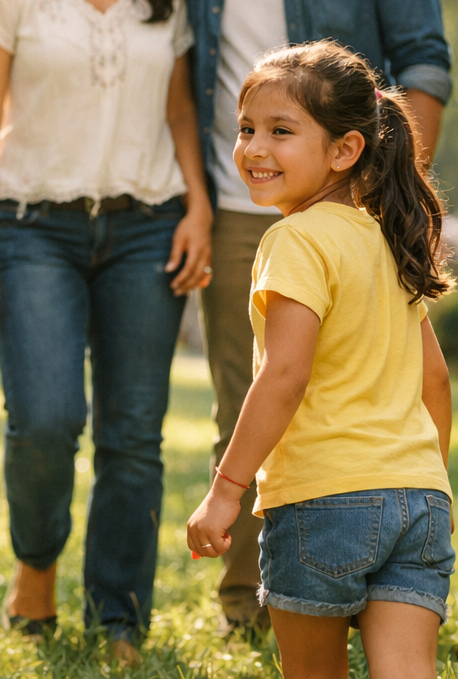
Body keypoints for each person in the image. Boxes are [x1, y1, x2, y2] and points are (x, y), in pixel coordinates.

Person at [159, 0, 452, 631]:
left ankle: (339, 585)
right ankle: (250, 598)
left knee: (356, 376)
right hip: (242, 200)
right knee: (249, 391)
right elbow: (171, 71)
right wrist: (201, 197)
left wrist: (388, 191)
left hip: (358, 192)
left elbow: (424, 62)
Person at [0, 0, 213, 662]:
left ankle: (120, 616)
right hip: (32, 229)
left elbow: (181, 109)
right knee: (46, 417)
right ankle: (36, 562)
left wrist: (200, 207)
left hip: (148, 226)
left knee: (135, 432)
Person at [188, 40, 453, 679]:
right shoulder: (387, 237)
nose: (254, 148)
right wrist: (417, 473)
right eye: (247, 128)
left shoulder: (294, 240)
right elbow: (436, 379)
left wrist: (226, 492)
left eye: (281, 131)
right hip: (419, 500)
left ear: (345, 149)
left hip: (323, 501)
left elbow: (285, 372)